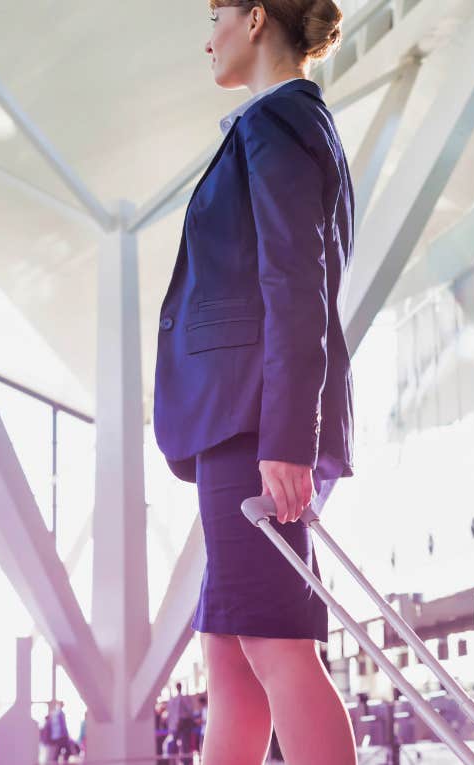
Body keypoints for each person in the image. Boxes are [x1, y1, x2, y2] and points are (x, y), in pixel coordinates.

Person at [152, 2, 357, 764]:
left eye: (215, 13)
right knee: (232, 662)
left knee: (275, 647)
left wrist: (285, 437)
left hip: (251, 423)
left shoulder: (278, 123)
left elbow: (295, 282)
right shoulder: (286, 125)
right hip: (241, 422)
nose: (208, 36)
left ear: (257, 17)